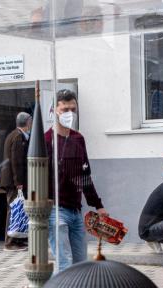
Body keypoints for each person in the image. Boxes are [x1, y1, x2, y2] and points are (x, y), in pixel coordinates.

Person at [45, 88, 105, 272]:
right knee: (64, 263)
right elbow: (36, 175)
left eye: (73, 109)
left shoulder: (78, 139)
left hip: (75, 210)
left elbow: (85, 175)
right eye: (65, 110)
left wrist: (98, 205)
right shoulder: (47, 140)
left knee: (80, 263)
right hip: (56, 210)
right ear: (54, 110)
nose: (69, 114)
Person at [0, 111, 31, 251]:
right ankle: (9, 242)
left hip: (12, 180)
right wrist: (19, 183)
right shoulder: (18, 137)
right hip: (13, 181)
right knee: (14, 209)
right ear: (28, 122)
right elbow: (16, 162)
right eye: (31, 121)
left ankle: (18, 238)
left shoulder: (15, 135)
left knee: (18, 209)